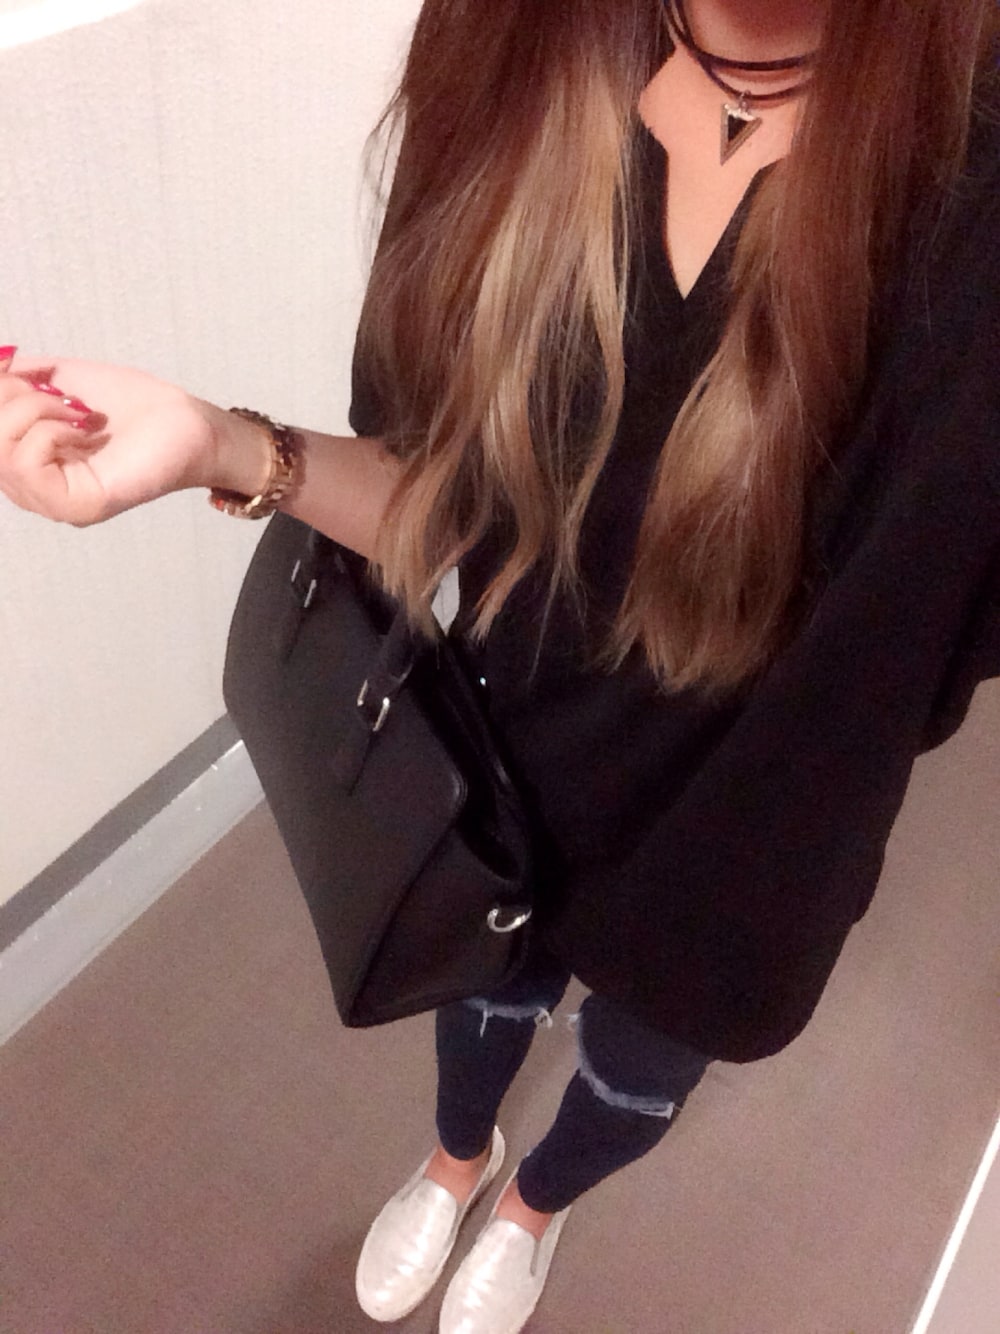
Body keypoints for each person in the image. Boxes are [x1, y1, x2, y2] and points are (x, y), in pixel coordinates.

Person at [1, 0, 998, 1329]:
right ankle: (455, 1159)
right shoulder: (510, 41)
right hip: (509, 759)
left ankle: (533, 1205)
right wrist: (221, 446)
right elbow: (451, 502)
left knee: (640, 1066)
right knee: (479, 996)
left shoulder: (970, 169)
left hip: (755, 843)